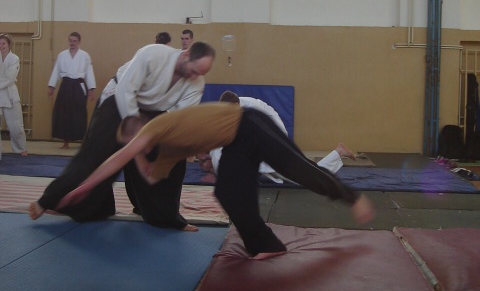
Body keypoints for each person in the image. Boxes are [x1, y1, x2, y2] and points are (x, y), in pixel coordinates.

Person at [49, 102, 375, 259]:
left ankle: (352, 197)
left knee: (297, 169)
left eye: (132, 144)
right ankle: (266, 245)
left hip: (249, 124)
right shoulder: (166, 151)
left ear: (140, 132)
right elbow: (150, 176)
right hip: (235, 144)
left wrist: (82, 187)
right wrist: (137, 156)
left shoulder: (157, 127)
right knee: (228, 192)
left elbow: (117, 159)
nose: (134, 150)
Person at [29, 42, 216, 230]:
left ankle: (165, 216)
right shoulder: (153, 54)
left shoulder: (196, 83)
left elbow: (177, 120)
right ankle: (50, 201)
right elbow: (125, 91)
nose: (195, 77)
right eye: (194, 71)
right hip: (119, 98)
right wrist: (138, 148)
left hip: (154, 112)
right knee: (95, 154)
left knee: (173, 157)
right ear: (186, 55)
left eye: (200, 74)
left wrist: (165, 146)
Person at [199, 91, 357, 184]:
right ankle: (338, 153)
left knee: (302, 175)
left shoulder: (250, 110)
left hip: (274, 137)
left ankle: (338, 153)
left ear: (237, 105)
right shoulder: (229, 110)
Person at [48, 32, 96, 149]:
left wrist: (91, 89)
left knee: (79, 112)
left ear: (79, 42)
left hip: (78, 85)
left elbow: (89, 72)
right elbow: (56, 71)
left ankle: (82, 140)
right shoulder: (62, 55)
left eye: (74, 41)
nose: (72, 43)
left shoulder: (85, 56)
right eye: (70, 40)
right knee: (63, 113)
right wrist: (51, 86)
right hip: (65, 85)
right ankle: (66, 142)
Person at [0, 33, 28, 157]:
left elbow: (9, 78)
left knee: (16, 126)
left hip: (9, 94)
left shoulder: (14, 59)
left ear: (9, 45)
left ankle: (21, 149)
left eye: (3, 43)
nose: (1, 46)